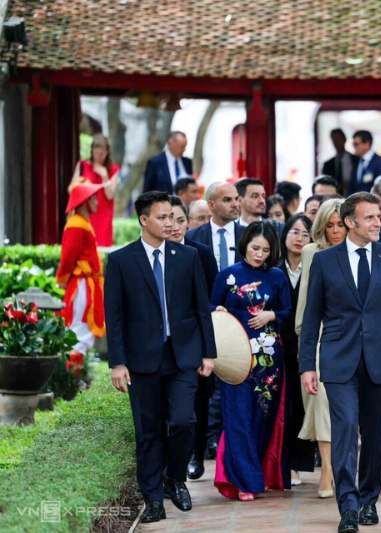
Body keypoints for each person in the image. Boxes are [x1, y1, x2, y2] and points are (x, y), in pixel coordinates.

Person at [299, 192, 381, 533]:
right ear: (350, 222)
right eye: (370, 218)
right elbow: (311, 318)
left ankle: (369, 500)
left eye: (379, 217)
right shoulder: (325, 261)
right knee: (346, 428)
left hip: (379, 360)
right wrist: (308, 365)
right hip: (338, 359)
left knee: (376, 435)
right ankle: (348, 505)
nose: (378, 222)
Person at [105, 191, 215, 523]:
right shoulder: (121, 261)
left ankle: (174, 478)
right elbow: (116, 316)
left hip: (183, 355)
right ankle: (153, 498)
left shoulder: (188, 256)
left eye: (172, 216)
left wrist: (208, 352)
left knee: (184, 421)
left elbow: (201, 308)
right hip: (142, 360)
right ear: (144, 220)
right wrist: (117, 362)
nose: (170, 223)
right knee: (148, 430)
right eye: (163, 217)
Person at [210, 222, 292, 500]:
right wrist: (218, 309)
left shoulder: (277, 276)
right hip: (235, 357)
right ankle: (244, 481)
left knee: (262, 418)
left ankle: (260, 474)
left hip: (268, 360)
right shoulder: (227, 275)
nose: (260, 254)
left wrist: (271, 316)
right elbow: (210, 307)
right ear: (244, 244)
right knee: (238, 417)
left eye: (266, 250)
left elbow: (287, 310)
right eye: (255, 248)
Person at [295, 198, 346, 499]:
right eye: (330, 225)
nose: (336, 230)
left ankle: (340, 467)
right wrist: (305, 341)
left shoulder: (360, 252)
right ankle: (327, 469)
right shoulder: (312, 252)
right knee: (321, 401)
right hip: (319, 336)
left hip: (351, 337)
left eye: (341, 223)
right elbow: (305, 302)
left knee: (345, 408)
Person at [167, 196, 219, 481]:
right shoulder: (155, 255)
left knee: (197, 404)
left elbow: (209, 301)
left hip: (195, 344)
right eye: (168, 220)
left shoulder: (201, 253)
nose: (175, 227)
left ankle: (194, 455)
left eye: (180, 220)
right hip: (164, 345)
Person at [277, 213, 316, 486]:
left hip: (306, 348)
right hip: (277, 347)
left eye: (305, 233)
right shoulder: (274, 269)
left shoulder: (316, 267)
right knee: (282, 406)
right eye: (295, 232)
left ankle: (301, 463)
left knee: (303, 406)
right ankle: (282, 463)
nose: (299, 238)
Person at [57, 182, 107, 355]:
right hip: (83, 286)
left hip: (86, 284)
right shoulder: (77, 224)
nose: (97, 202)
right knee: (80, 329)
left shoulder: (81, 222)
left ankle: (75, 376)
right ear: (85, 201)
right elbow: (67, 257)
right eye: (93, 198)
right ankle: (73, 377)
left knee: (81, 329)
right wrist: (62, 278)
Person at [68, 134, 119, 246]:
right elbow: (71, 189)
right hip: (86, 215)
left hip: (104, 219)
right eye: (97, 148)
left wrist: (104, 176)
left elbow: (110, 195)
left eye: (103, 150)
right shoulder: (82, 165)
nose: (100, 153)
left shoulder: (113, 169)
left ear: (107, 152)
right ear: (92, 150)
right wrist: (84, 185)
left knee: (102, 252)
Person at [186, 182, 244, 271]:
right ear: (211, 205)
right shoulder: (191, 237)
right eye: (227, 200)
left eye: (236, 199)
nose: (235, 204)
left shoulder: (249, 235)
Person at [321, 128, 359, 193]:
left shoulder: (357, 160)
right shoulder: (327, 164)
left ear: (344, 139)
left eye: (339, 139)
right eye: (334, 140)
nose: (337, 142)